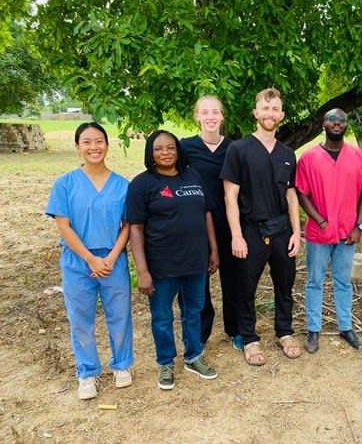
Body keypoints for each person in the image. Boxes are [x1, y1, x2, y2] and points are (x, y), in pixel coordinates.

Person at [45, 122, 133, 400]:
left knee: (119, 314)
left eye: (99, 141)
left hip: (112, 259)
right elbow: (64, 226)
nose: (93, 147)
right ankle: (88, 372)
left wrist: (109, 257)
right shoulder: (65, 184)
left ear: (108, 145)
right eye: (87, 142)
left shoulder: (122, 185)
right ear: (77, 148)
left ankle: (122, 365)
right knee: (80, 318)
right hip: (77, 261)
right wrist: (90, 259)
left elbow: (128, 226)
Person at [127, 130, 220, 389]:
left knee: (193, 311)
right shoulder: (142, 184)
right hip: (161, 265)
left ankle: (194, 356)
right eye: (159, 149)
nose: (165, 152)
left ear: (178, 150)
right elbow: (135, 228)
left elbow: (207, 214)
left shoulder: (192, 175)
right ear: (150, 153)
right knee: (162, 317)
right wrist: (142, 271)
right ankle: (166, 362)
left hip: (195, 261)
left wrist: (213, 250)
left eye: (170, 147)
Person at [221, 87, 301, 366]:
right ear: (256, 113)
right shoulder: (239, 149)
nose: (270, 114)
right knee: (246, 288)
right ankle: (250, 338)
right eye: (265, 109)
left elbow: (291, 195)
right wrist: (237, 236)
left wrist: (297, 232)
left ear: (282, 115)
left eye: (275, 109)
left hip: (282, 230)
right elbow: (230, 195)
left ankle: (285, 331)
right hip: (251, 230)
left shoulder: (287, 153)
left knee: (285, 285)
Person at [296, 109, 362, 353]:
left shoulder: (358, 156)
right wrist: (319, 220)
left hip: (348, 234)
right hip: (319, 235)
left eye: (342, 120)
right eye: (332, 119)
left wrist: (359, 225)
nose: (337, 123)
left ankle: (346, 327)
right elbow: (301, 192)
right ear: (323, 124)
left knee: (343, 281)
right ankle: (313, 330)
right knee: (314, 281)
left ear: (347, 125)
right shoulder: (309, 158)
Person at [180, 96, 243, 351]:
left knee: (234, 279)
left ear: (222, 116)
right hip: (197, 225)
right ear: (196, 116)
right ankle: (201, 332)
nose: (210, 117)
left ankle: (235, 329)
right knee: (198, 283)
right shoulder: (185, 148)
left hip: (229, 223)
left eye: (215, 112)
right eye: (204, 112)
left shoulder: (234, 148)